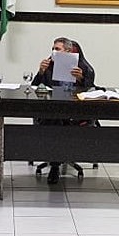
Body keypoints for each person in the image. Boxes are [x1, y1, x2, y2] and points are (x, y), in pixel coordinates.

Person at [31, 37, 97, 184]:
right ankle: (55, 165)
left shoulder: (83, 68)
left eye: (57, 49)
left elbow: (91, 90)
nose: (53, 52)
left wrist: (81, 79)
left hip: (76, 112)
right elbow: (35, 88)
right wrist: (40, 72)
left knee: (59, 122)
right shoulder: (49, 66)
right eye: (52, 49)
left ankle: (56, 162)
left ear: (68, 51)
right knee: (55, 120)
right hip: (52, 111)